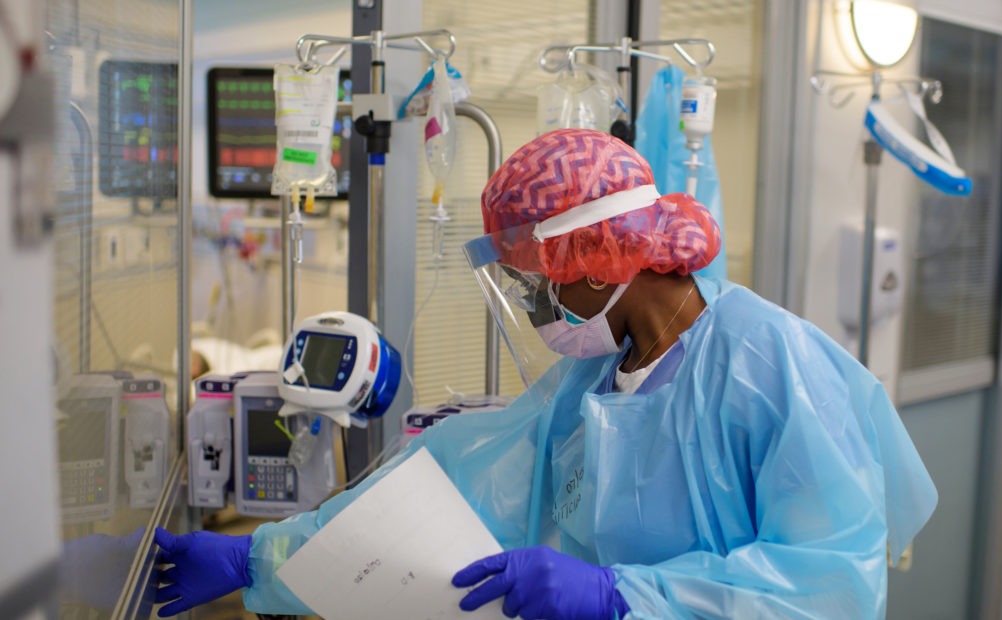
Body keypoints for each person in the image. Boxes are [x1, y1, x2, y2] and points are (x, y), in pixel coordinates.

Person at [154, 129, 937, 619]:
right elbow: (452, 484)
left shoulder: (771, 368)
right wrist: (262, 558)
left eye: (536, 278)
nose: (534, 304)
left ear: (596, 256)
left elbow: (830, 585)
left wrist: (626, 599)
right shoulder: (590, 387)